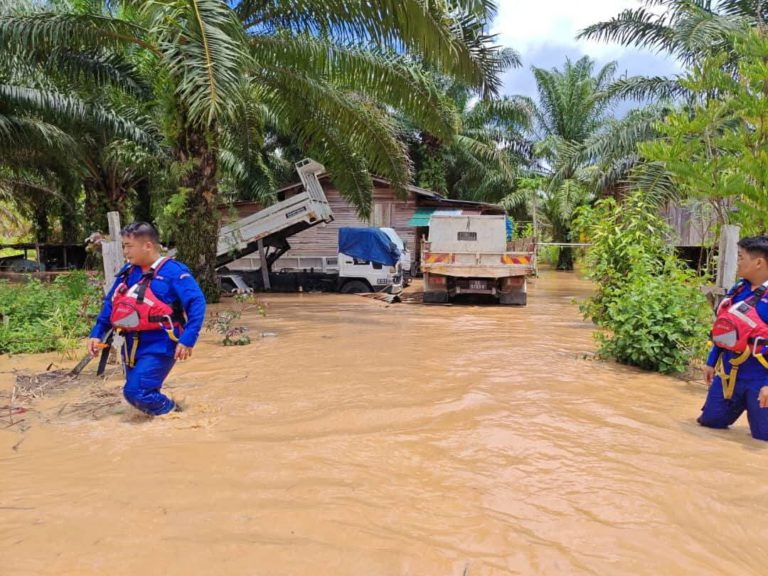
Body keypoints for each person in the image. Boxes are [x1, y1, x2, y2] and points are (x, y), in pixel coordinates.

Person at [87, 222, 206, 416]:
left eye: (129, 246)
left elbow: (197, 303)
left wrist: (188, 339)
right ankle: (165, 422)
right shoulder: (128, 272)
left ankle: (177, 415)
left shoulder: (174, 272)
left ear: (148, 246)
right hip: (131, 344)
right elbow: (111, 302)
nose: (125, 251)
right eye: (123, 246)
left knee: (137, 392)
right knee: (141, 392)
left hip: (161, 343)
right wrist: (97, 333)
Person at [698, 236, 768, 440]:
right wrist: (711, 362)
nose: (737, 262)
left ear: (758, 262)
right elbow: (725, 328)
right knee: (709, 424)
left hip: (761, 379)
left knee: (762, 439)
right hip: (730, 375)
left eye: (740, 257)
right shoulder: (738, 289)